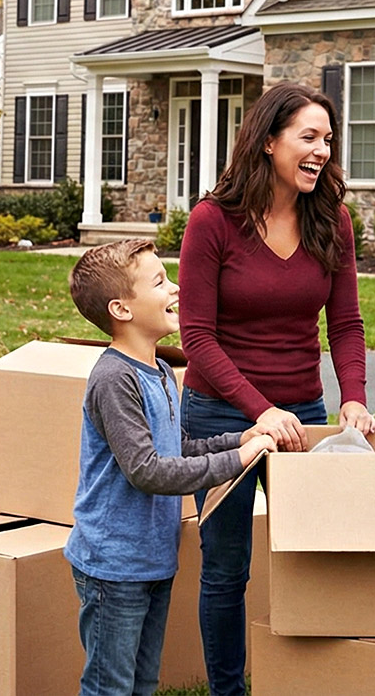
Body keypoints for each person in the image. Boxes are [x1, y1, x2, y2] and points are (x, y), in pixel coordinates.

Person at [178, 81, 371, 696]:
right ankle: (228, 690)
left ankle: (310, 682)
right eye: (308, 137)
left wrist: (355, 396)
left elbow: (344, 324)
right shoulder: (213, 221)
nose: (321, 151)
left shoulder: (331, 219)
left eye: (328, 141)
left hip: (304, 416)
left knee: (316, 557)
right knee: (226, 566)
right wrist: (261, 413)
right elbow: (197, 338)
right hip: (219, 416)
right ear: (267, 141)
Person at [64, 239, 276, 696]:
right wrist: (234, 461)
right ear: (121, 309)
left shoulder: (159, 369)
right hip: (113, 565)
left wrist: (237, 438)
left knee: (142, 684)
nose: (175, 287)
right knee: (109, 687)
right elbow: (148, 470)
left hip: (152, 559)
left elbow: (177, 447)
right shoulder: (114, 378)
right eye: (160, 282)